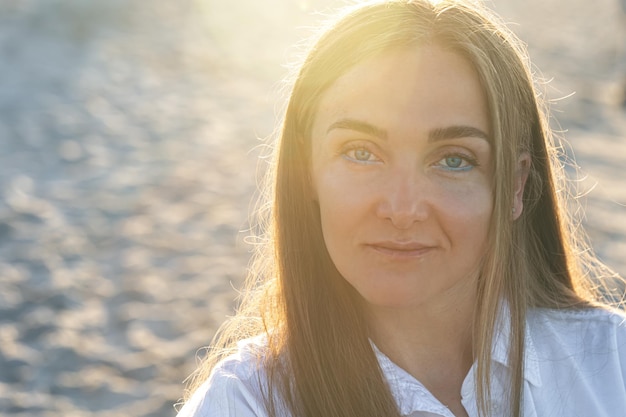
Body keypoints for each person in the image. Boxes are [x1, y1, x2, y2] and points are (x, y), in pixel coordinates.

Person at [176, 1, 626, 416]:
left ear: (515, 185)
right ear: (306, 169)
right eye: (361, 152)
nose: (402, 208)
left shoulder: (614, 363)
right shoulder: (244, 403)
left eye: (454, 159)